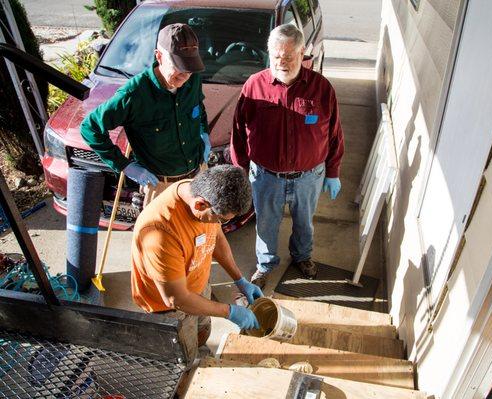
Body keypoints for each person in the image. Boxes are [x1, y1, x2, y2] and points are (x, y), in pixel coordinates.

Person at [230, 24, 345, 289]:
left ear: (302, 52)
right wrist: (240, 172)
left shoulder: (321, 88)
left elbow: (335, 132)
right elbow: (238, 132)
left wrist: (333, 171)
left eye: (288, 57)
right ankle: (265, 264)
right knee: (266, 224)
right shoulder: (254, 86)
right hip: (266, 177)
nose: (281, 63)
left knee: (305, 222)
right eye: (276, 57)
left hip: (309, 176)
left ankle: (302, 256)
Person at [130, 164, 263, 363]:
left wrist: (240, 279)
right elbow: (177, 300)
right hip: (171, 309)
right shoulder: (160, 232)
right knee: (184, 358)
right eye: (221, 220)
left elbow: (216, 238)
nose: (220, 225)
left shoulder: (198, 190)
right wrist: (229, 311)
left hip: (198, 283)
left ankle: (198, 351)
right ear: (200, 205)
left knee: (202, 332)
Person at [80, 23, 212, 207]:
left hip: (197, 177)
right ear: (159, 56)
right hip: (160, 187)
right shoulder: (134, 94)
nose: (185, 75)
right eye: (179, 66)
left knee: (200, 235)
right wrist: (125, 165)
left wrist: (204, 134)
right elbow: (90, 128)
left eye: (189, 68)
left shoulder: (193, 78)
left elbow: (198, 107)